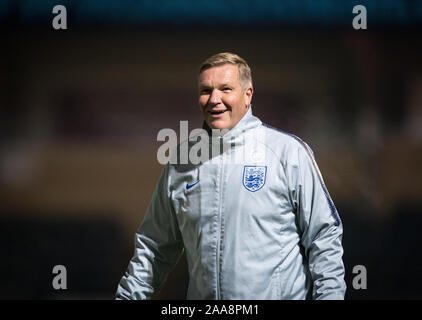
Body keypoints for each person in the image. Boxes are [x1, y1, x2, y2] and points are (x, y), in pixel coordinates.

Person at [116, 52, 346, 300]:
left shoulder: (288, 153)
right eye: (206, 90)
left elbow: (324, 237)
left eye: (225, 89)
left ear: (248, 95)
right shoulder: (182, 163)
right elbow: (154, 248)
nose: (214, 99)